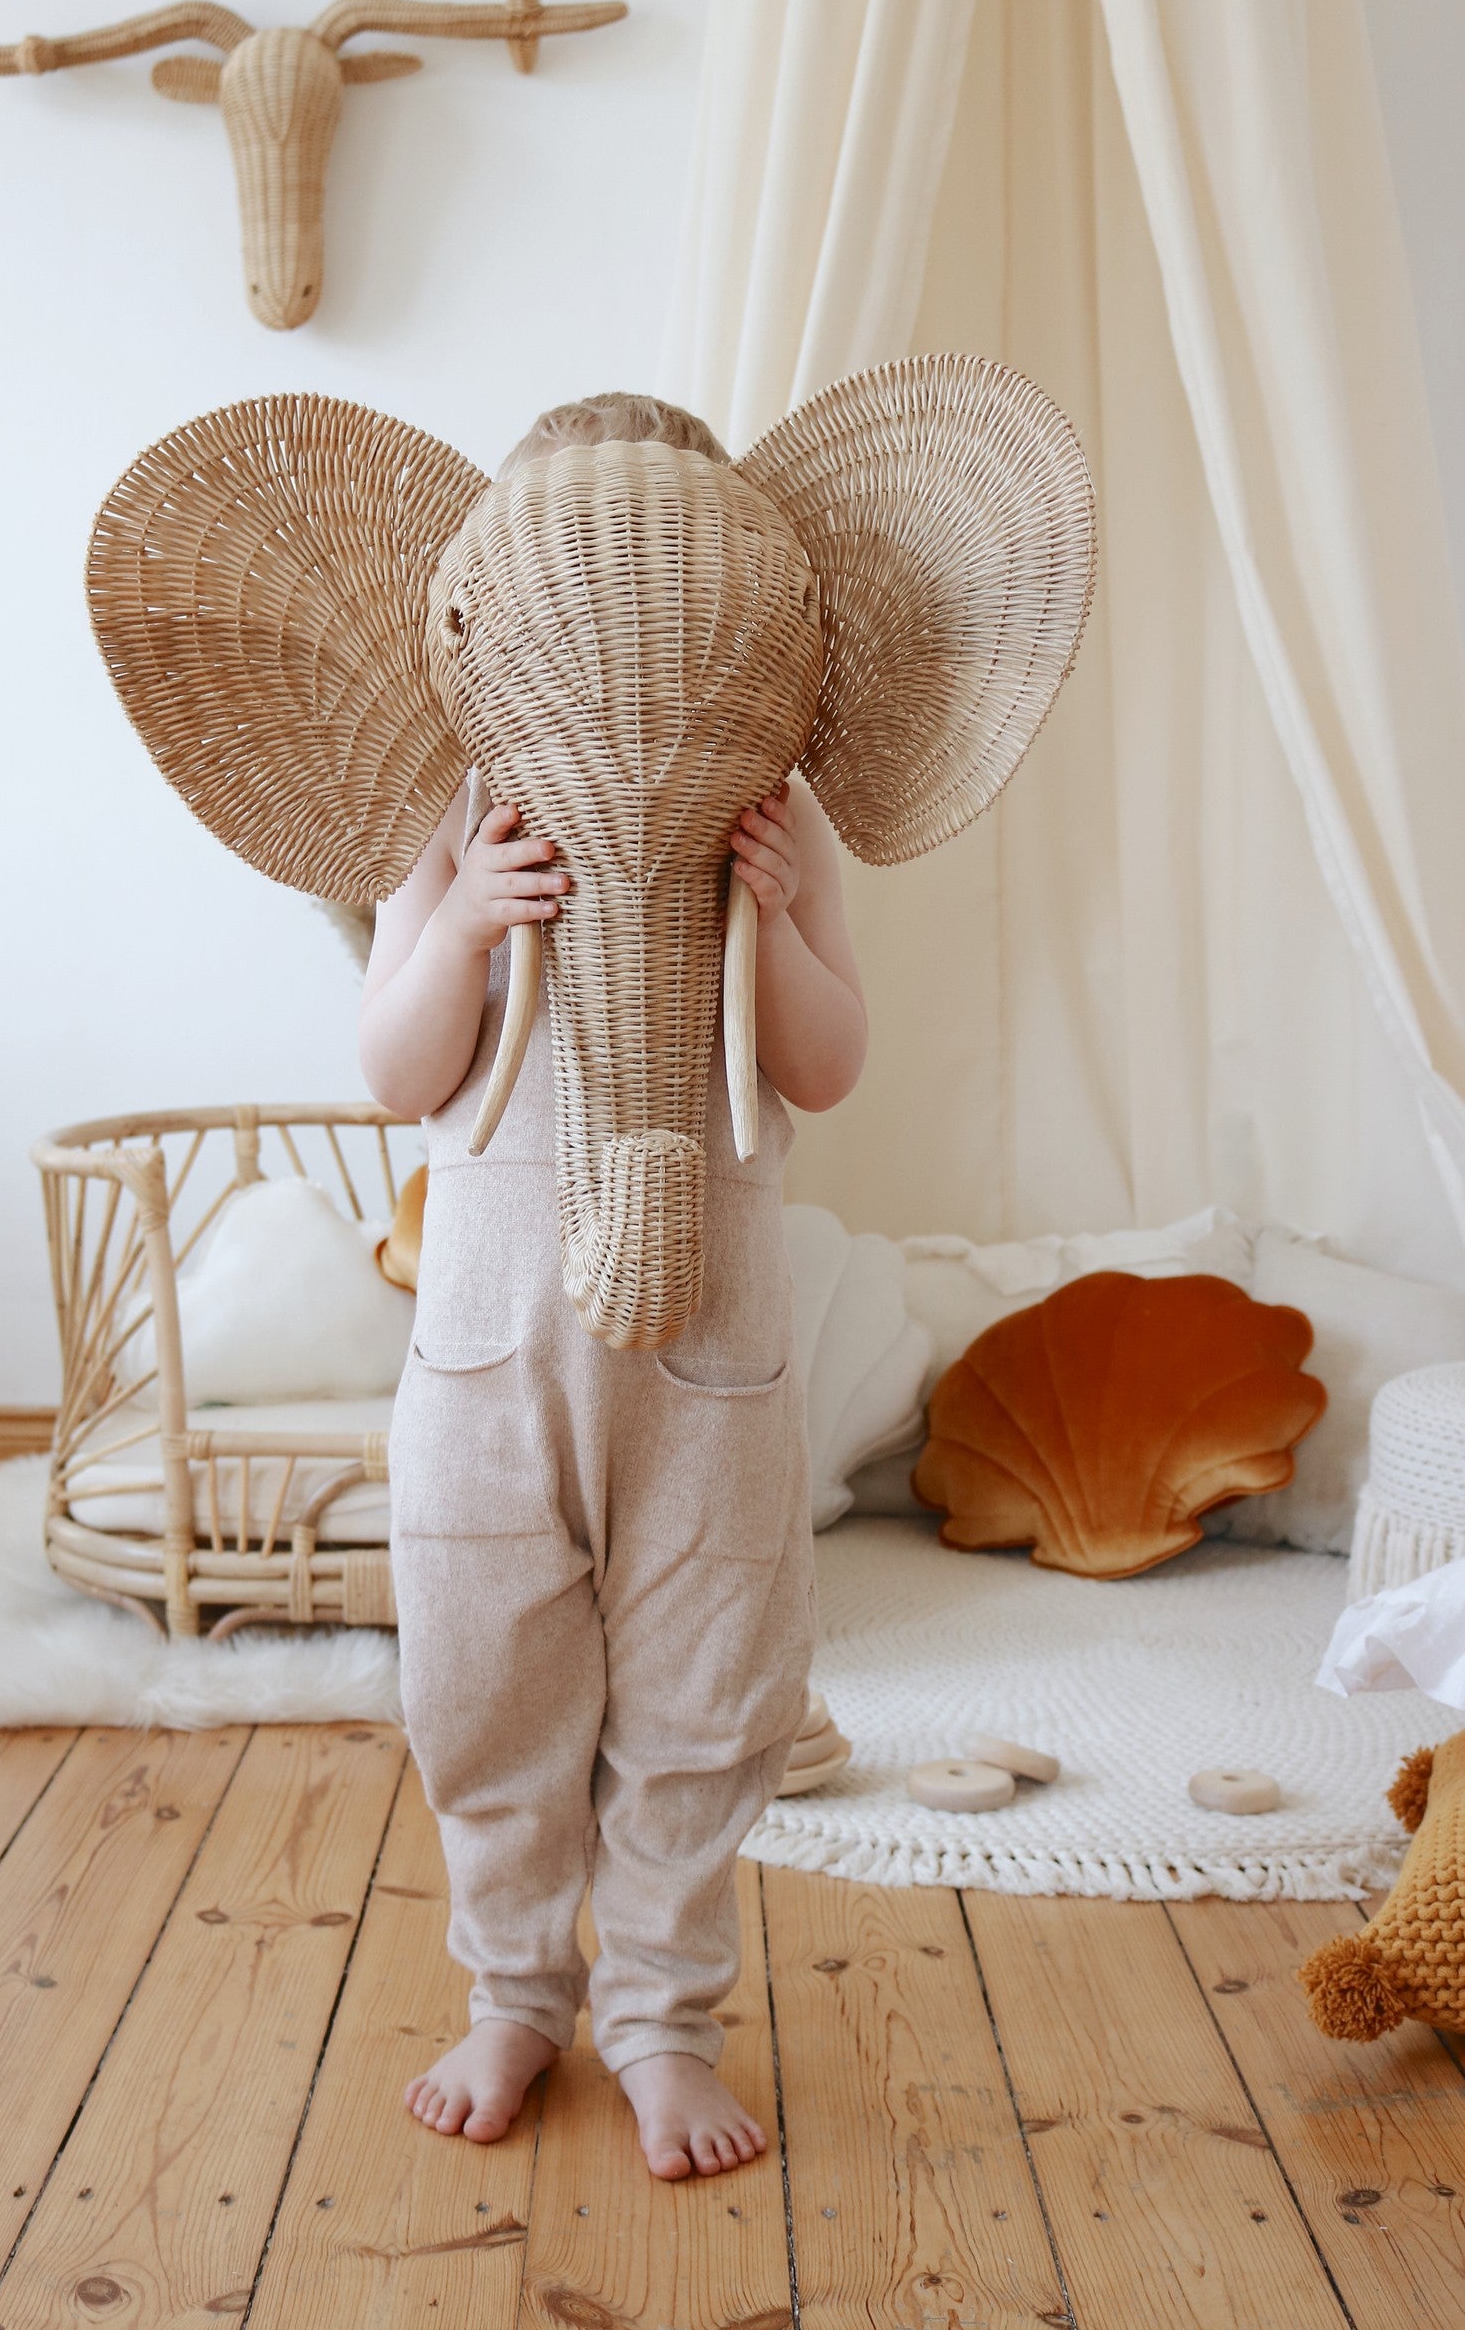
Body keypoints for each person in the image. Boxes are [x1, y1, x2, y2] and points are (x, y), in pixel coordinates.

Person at [358, 391, 868, 2181]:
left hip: (708, 1362)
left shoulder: (769, 800)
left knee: (709, 1681)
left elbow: (823, 1069)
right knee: (484, 1670)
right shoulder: (456, 809)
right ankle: (513, 1988)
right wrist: (467, 925)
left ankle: (661, 2013)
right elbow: (396, 1074)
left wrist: (790, 916)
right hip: (494, 1356)